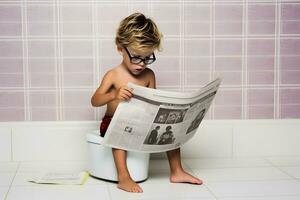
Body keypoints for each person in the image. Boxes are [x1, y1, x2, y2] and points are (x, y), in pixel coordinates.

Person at [91, 12, 202, 193]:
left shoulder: (149, 75)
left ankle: (177, 171)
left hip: (141, 121)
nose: (142, 64)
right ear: (120, 48)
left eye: (147, 58)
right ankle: (124, 177)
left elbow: (154, 103)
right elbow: (95, 101)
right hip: (114, 121)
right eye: (136, 57)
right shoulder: (113, 75)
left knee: (172, 129)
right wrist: (114, 95)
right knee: (120, 129)